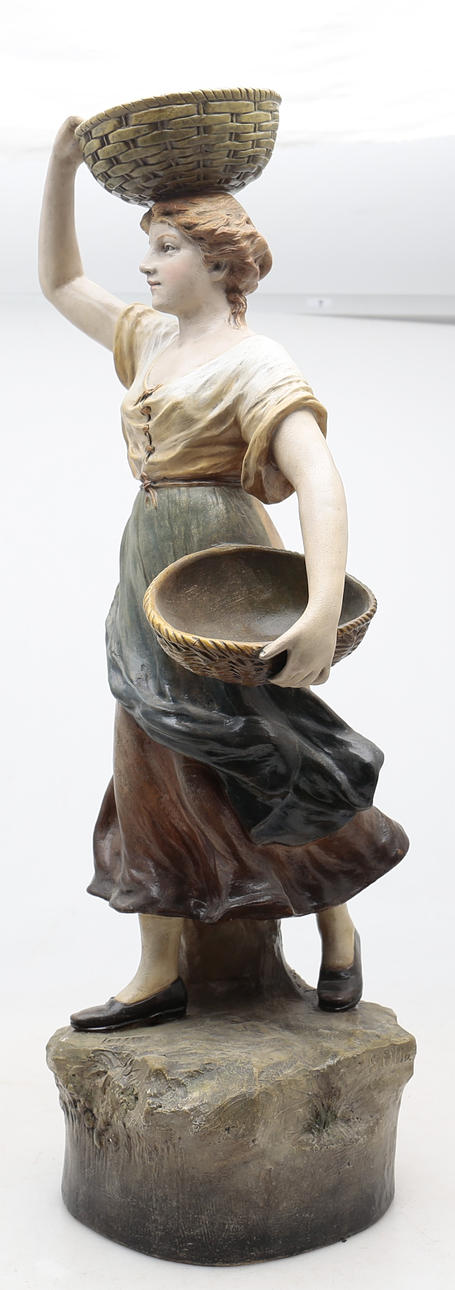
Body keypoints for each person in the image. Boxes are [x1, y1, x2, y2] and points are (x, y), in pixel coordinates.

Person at [38, 117, 409, 1032]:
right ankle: (157, 967)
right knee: (149, 751)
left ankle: (337, 927)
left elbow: (318, 478)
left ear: (218, 261)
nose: (148, 264)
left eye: (166, 247)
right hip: (147, 566)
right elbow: (60, 283)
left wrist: (319, 605)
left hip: (224, 570)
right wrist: (60, 170)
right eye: (150, 245)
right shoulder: (148, 340)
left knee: (267, 747)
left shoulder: (256, 363)